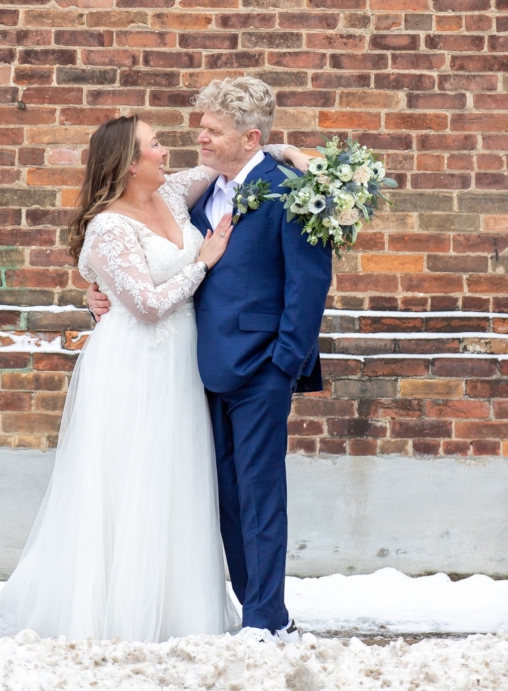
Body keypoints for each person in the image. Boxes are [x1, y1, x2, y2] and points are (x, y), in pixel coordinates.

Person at [0, 107, 309, 642]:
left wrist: (289, 154)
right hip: (134, 363)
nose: (169, 151)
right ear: (128, 164)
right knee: (132, 479)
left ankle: (177, 606)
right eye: (155, 145)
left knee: (178, 480)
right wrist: (203, 263)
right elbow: (144, 303)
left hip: (183, 363)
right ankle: (121, 611)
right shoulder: (109, 225)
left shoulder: (172, 194)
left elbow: (236, 159)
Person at [89, 77, 332, 643]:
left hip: (261, 368)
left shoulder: (290, 190)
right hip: (198, 367)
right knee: (224, 495)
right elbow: (135, 252)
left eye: (212, 130)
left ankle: (265, 620)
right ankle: (261, 609)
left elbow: (309, 282)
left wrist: (285, 364)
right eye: (200, 126)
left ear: (248, 138)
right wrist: (95, 292)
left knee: (260, 493)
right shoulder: (196, 193)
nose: (198, 136)